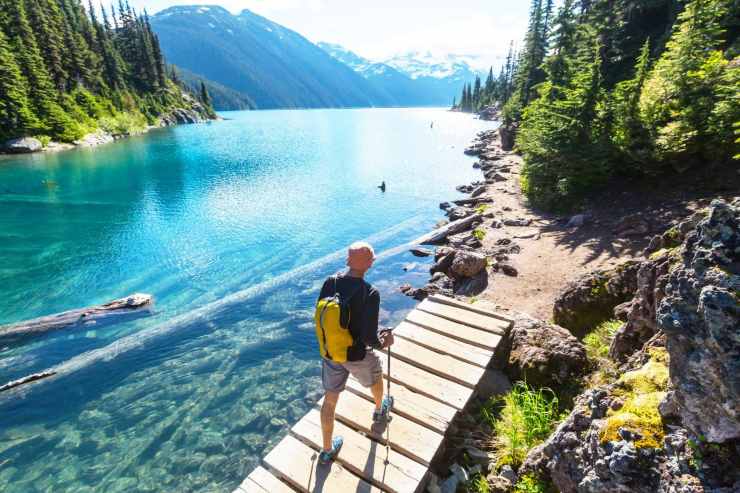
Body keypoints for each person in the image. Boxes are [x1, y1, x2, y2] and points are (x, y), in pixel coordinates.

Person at [317, 241, 394, 464]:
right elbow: (370, 337)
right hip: (356, 355)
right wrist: (384, 342)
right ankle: (380, 408)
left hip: (330, 352)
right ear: (369, 265)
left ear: (348, 260)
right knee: (376, 375)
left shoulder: (329, 283)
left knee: (330, 401)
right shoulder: (370, 292)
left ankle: (327, 449)